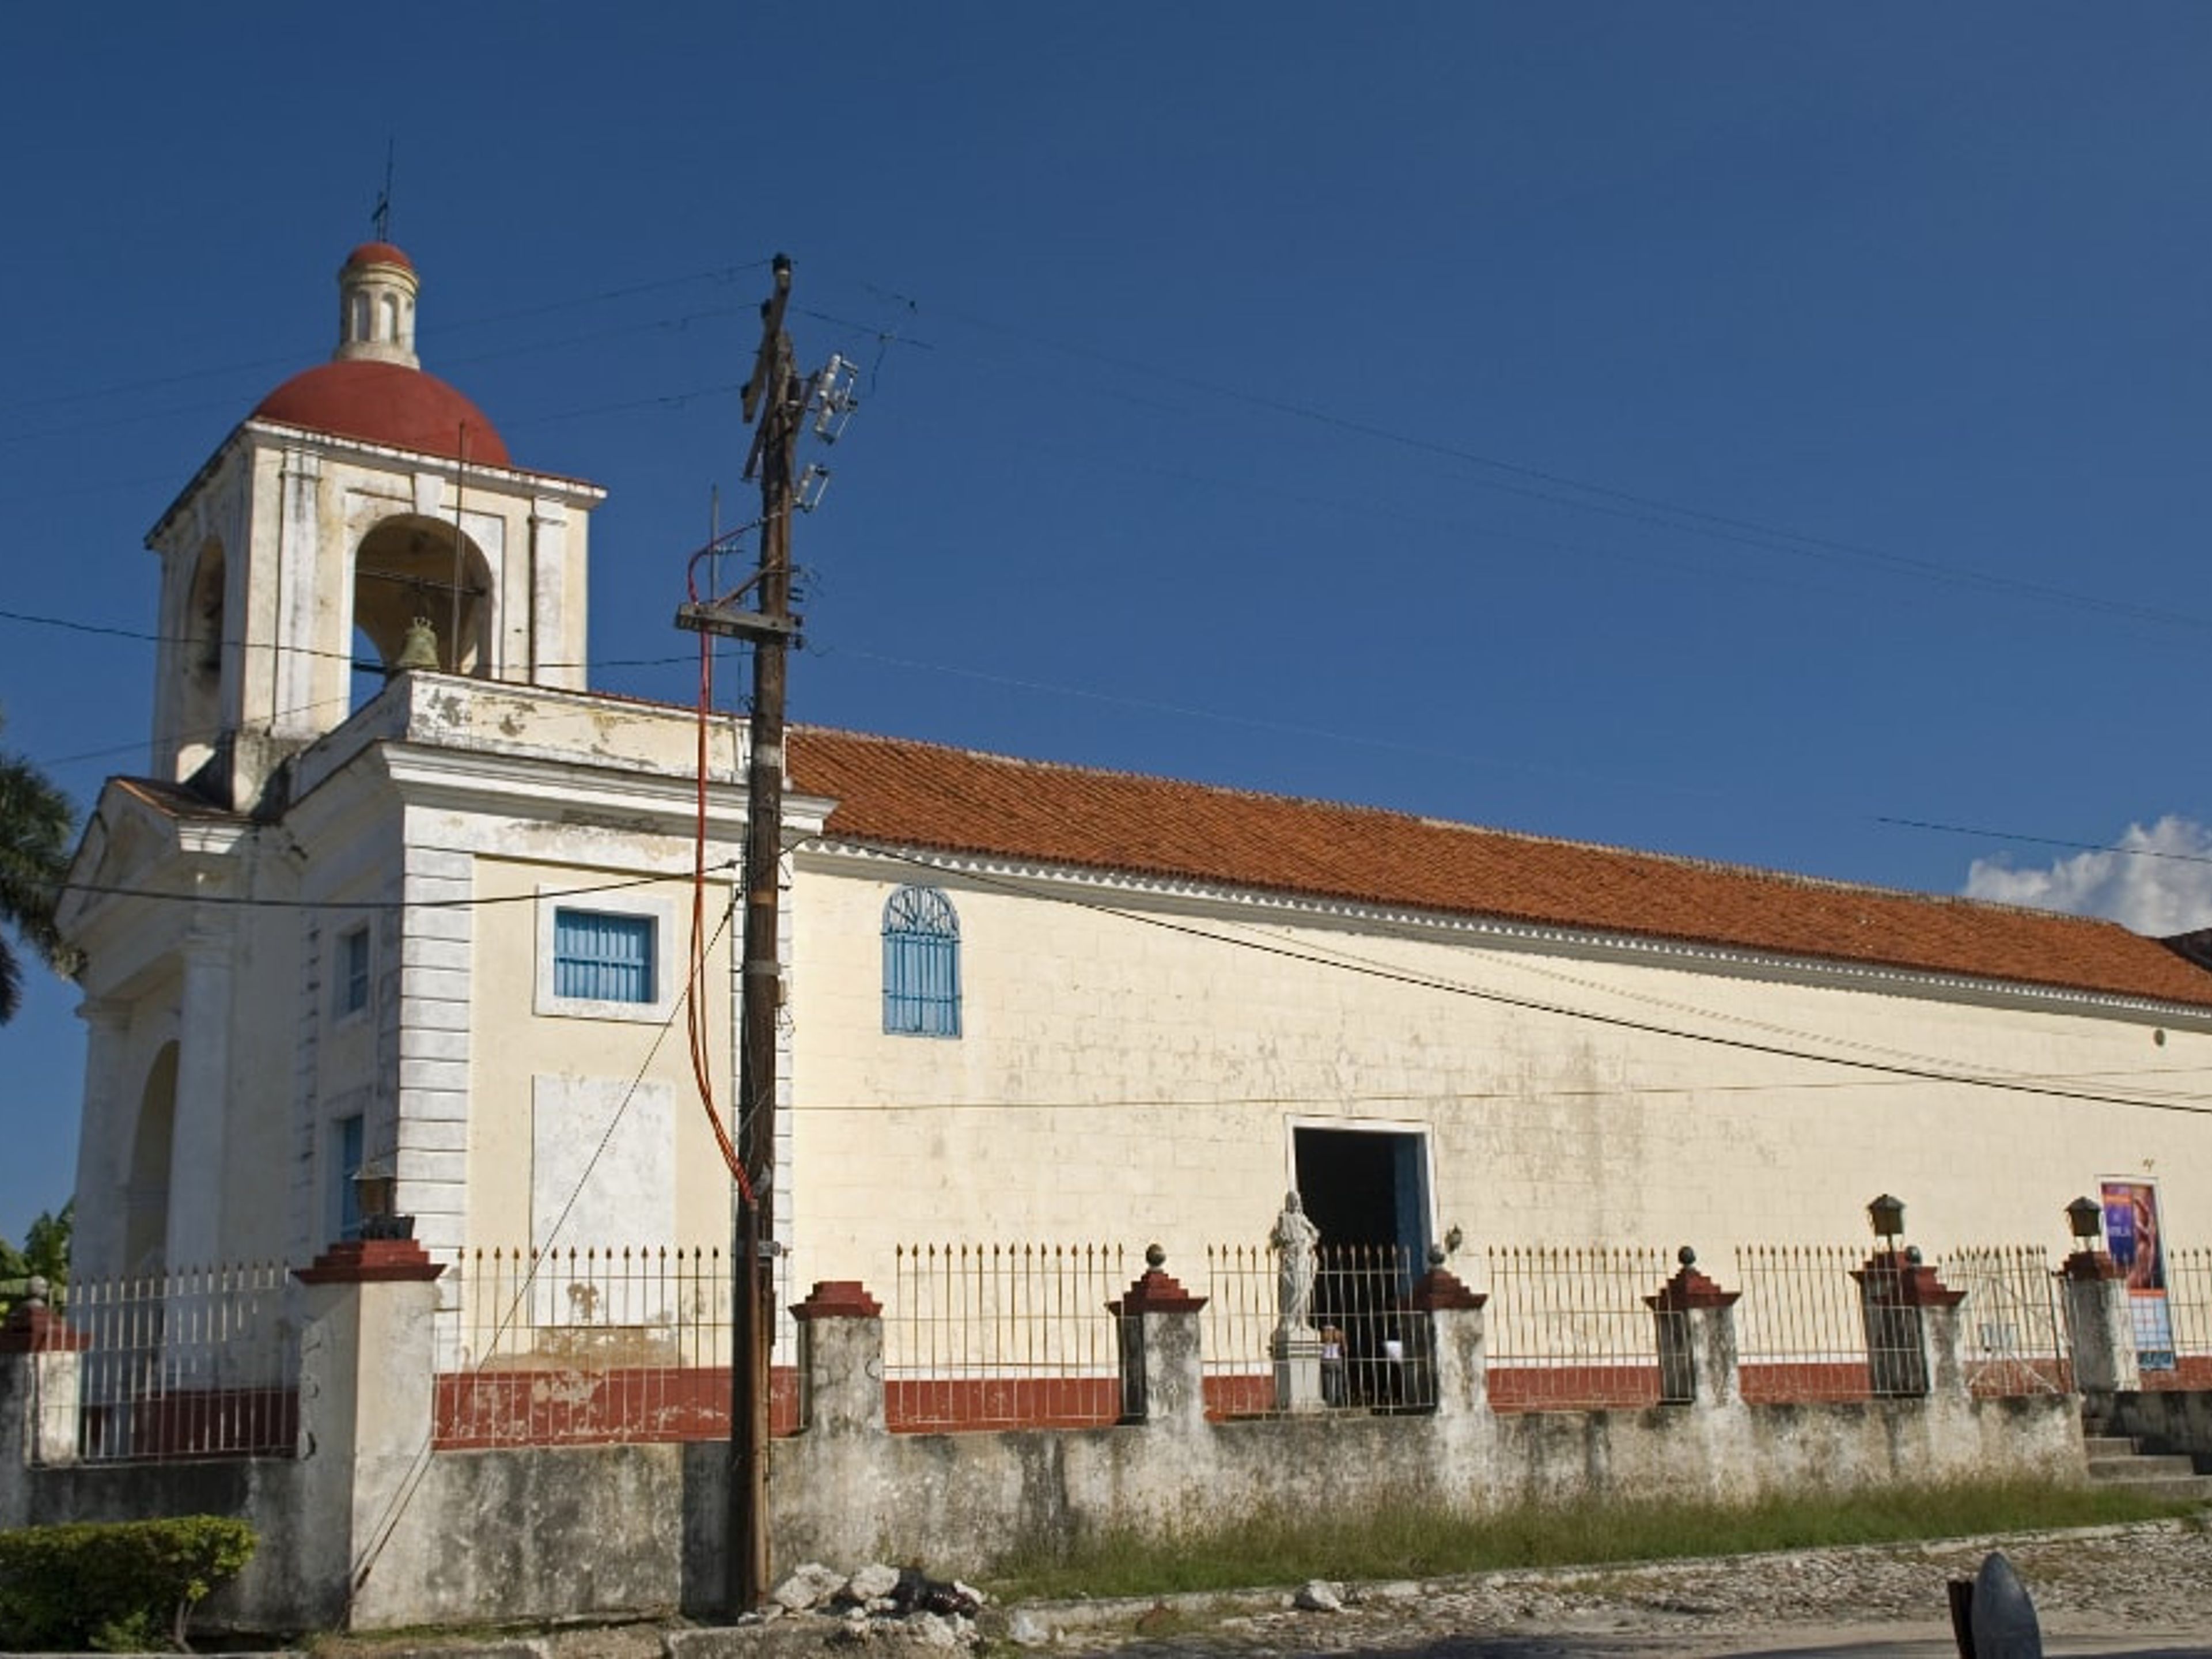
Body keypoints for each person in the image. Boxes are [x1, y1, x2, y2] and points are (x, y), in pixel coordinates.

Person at [1272, 1191, 1320, 1334]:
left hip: (1303, 1257)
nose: (1295, 1203)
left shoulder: (1301, 1218)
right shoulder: (1284, 1218)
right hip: (1291, 1258)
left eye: (1297, 1201)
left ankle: (1301, 1322)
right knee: (1291, 1289)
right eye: (1292, 1201)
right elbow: (1278, 1238)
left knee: (1303, 1289)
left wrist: (1308, 1242)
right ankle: (1289, 1321)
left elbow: (1315, 1233)